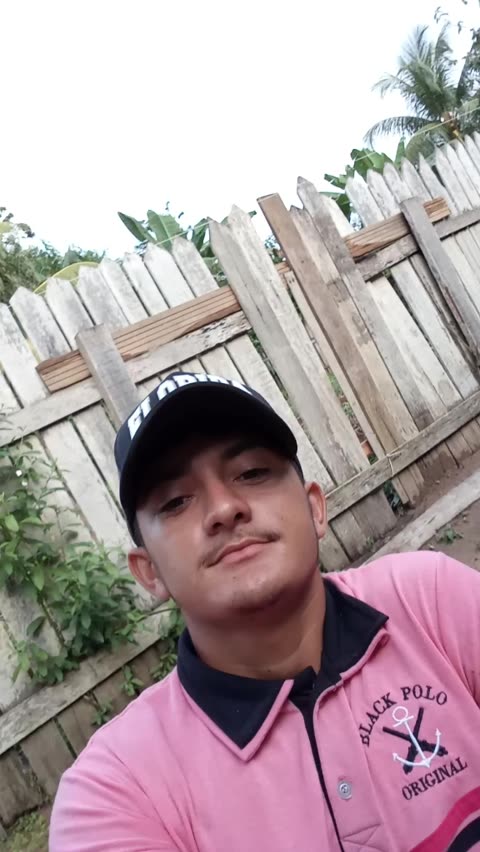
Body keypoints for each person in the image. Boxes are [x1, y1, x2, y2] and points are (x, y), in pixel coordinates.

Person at [50, 371, 480, 852]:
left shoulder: (430, 602)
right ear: (149, 571)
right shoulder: (114, 793)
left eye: (252, 473)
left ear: (315, 508)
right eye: (176, 501)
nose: (224, 508)